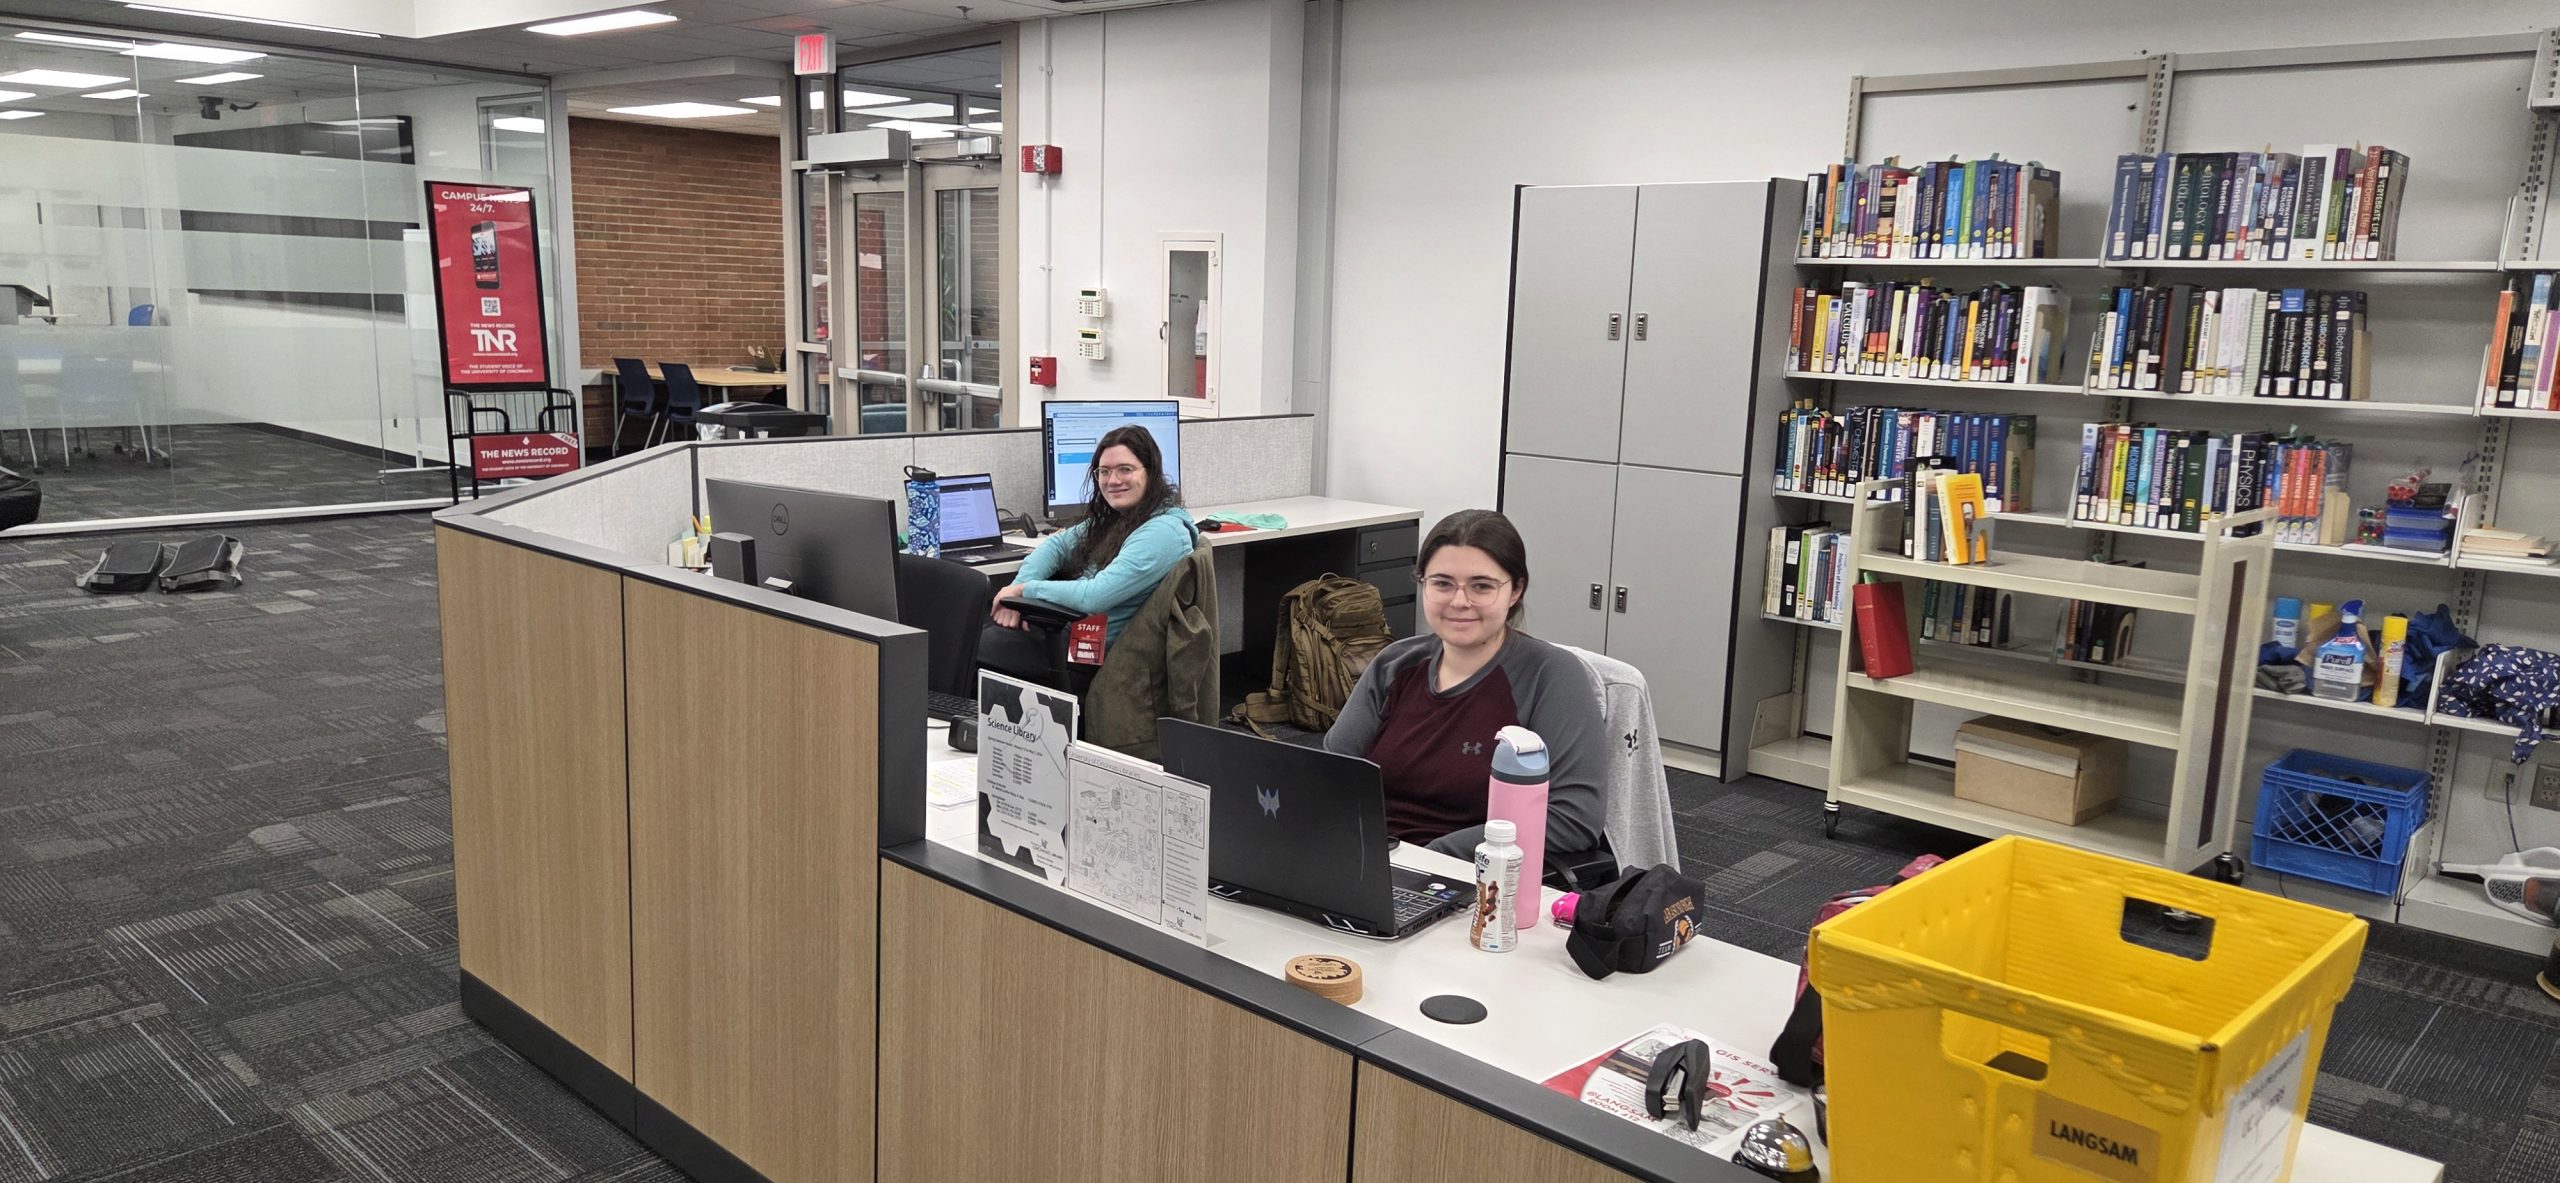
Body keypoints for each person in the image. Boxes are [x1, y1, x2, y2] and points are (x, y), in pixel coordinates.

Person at [1324, 509, 1608, 860]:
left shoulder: (1550, 676)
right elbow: (1333, 774)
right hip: (1369, 858)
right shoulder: (1395, 663)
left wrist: (1434, 856)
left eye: (1482, 586)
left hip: (1474, 876)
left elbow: (1574, 818)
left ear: (1516, 590)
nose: (1460, 602)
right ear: (1422, 583)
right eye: (1442, 583)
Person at [978, 424, 1196, 691]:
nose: (1113, 480)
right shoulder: (1122, 518)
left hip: (1084, 654)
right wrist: (1017, 596)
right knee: (971, 618)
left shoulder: (1162, 532)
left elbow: (1095, 596)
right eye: (1104, 471)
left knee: (964, 646)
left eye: (1125, 469)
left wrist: (1024, 591)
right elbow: (1057, 545)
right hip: (1070, 632)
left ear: (1150, 472)